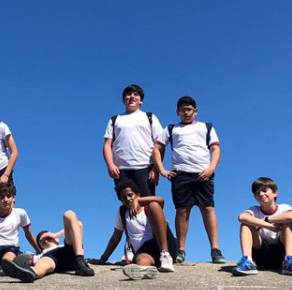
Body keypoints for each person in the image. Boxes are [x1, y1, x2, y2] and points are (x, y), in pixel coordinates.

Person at [157, 96, 225, 264]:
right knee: (182, 211)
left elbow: (215, 149)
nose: (186, 113)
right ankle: (181, 250)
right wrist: (161, 170)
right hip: (181, 175)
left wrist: (210, 169)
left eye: (189, 109)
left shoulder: (206, 127)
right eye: (183, 110)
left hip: (203, 173)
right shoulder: (172, 129)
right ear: (177, 112)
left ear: (195, 111)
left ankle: (215, 250)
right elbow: (157, 148)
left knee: (208, 209)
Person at [91, 179, 176, 280]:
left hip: (165, 244)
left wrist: (138, 201)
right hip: (147, 251)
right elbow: (116, 237)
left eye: (130, 195)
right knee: (141, 260)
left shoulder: (147, 207)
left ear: (137, 194)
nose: (128, 199)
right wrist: (103, 259)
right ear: (121, 200)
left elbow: (161, 200)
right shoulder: (122, 212)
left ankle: (165, 256)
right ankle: (145, 270)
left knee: (154, 204)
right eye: (124, 197)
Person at [103, 84, 165, 198]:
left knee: (148, 202)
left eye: (135, 94)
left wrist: (157, 168)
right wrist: (110, 165)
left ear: (141, 101)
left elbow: (160, 145)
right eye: (128, 94)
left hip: (145, 166)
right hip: (121, 169)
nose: (132, 96)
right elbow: (107, 145)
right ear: (123, 100)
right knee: (128, 204)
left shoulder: (149, 117)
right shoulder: (115, 120)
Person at [234, 177, 292, 276]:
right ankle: (247, 261)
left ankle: (289, 260)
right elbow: (242, 217)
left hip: (281, 253)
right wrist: (269, 226)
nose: (261, 194)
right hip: (262, 254)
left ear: (275, 192)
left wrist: (266, 220)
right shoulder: (254, 210)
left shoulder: (284, 208)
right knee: (245, 224)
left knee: (288, 223)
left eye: (264, 190)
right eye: (257, 193)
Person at [1, 210, 95, 282]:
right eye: (42, 242)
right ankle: (29, 273)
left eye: (48, 238)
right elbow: (26, 260)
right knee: (42, 264)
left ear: (57, 239)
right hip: (52, 258)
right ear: (41, 248)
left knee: (69, 214)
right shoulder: (42, 254)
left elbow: (79, 224)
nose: (45, 240)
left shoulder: (65, 242)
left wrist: (55, 235)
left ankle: (80, 261)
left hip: (70, 252)